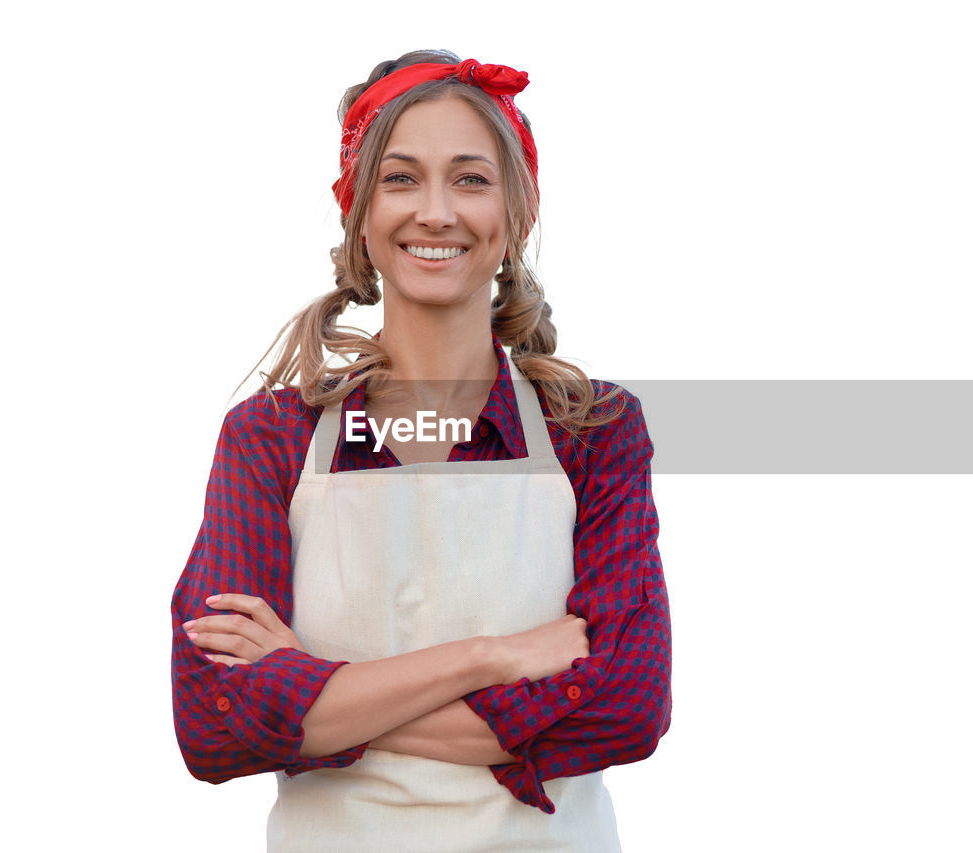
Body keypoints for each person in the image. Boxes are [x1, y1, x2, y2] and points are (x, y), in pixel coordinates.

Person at [170, 49, 672, 852]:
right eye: (402, 179)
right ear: (360, 212)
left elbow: (627, 705)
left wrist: (308, 692)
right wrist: (496, 656)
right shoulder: (270, 439)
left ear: (518, 212)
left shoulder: (594, 430)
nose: (435, 211)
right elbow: (214, 721)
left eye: (470, 179)